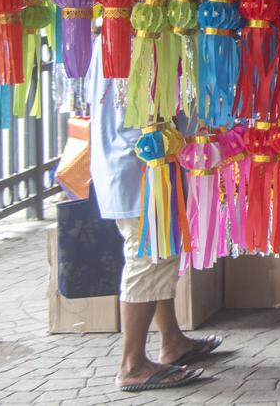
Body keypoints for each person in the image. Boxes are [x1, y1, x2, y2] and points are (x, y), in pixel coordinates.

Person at [87, 40, 218, 392]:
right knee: (146, 257)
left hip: (133, 164)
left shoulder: (110, 38)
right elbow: (152, 114)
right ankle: (132, 364)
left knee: (158, 254)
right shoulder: (140, 40)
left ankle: (172, 342)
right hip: (140, 167)